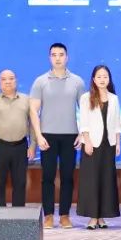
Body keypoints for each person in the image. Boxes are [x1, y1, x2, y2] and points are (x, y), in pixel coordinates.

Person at [30, 43, 86, 229]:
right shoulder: (40, 81)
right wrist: (38, 136)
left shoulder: (77, 81)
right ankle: (48, 215)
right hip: (47, 136)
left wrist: (82, 133)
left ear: (67, 57)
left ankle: (64, 215)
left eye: (61, 54)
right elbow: (33, 110)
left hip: (70, 136)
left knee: (68, 177)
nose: (58, 58)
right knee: (47, 177)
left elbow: (85, 109)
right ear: (49, 58)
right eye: (54, 55)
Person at [0, 70, 39, 207]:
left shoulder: (26, 100)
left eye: (11, 78)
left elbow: (33, 124)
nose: (8, 82)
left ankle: (18, 215)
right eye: (4, 79)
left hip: (21, 147)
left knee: (20, 182)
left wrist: (32, 146)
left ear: (16, 80)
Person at [76, 65, 121, 230]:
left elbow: (117, 123)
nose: (102, 79)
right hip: (92, 144)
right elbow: (84, 122)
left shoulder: (114, 98)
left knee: (106, 180)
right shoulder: (86, 97)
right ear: (94, 79)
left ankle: (102, 216)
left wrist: (118, 143)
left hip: (108, 144)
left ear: (109, 79)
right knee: (92, 180)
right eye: (99, 76)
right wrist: (86, 141)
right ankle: (93, 217)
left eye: (105, 76)